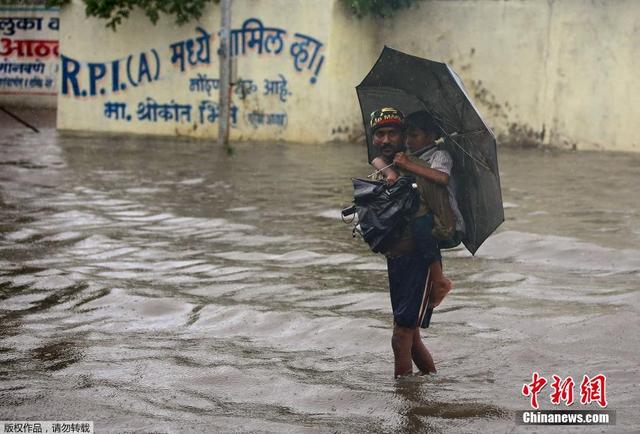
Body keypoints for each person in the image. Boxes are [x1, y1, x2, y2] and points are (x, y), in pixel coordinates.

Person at [368, 107, 440, 378]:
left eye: (392, 133)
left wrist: (437, 276)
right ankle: (430, 390)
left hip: (419, 262)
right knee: (411, 338)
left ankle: (405, 406)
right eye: (379, 134)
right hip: (396, 261)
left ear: (404, 136)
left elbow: (428, 222)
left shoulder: (418, 168)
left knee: (401, 337)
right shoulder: (388, 168)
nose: (385, 140)